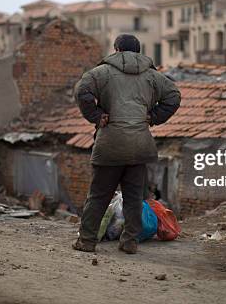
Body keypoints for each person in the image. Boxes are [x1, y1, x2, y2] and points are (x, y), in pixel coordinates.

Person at [72, 34, 180, 254]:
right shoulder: (152, 76)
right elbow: (174, 96)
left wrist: (96, 115)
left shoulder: (102, 73)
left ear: (117, 49)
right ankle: (129, 242)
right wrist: (154, 116)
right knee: (134, 198)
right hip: (139, 146)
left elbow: (81, 90)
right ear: (138, 51)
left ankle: (87, 241)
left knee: (99, 195)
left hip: (110, 144)